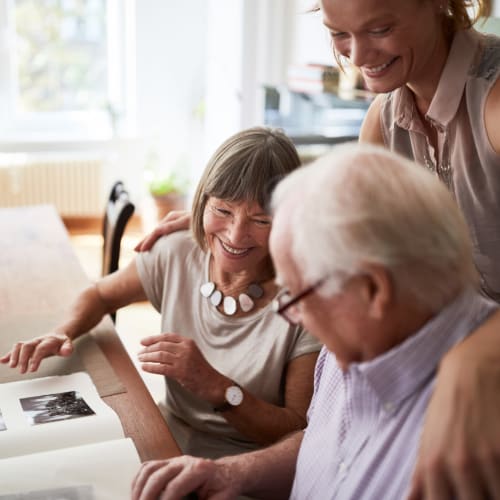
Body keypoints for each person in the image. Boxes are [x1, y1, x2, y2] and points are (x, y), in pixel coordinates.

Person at [134, 1, 500, 496]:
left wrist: (472, 362)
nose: (357, 55)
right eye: (338, 34)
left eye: (380, 28)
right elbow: (345, 220)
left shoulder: (493, 102)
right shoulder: (385, 117)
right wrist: (221, 218)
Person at [0, 126, 320, 459]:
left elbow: (295, 428)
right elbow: (100, 296)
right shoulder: (178, 251)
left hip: (246, 469)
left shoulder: (306, 302)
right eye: (223, 211)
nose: (236, 235)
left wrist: (216, 388)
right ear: (202, 202)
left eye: (260, 220)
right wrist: (62, 332)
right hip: (166, 437)